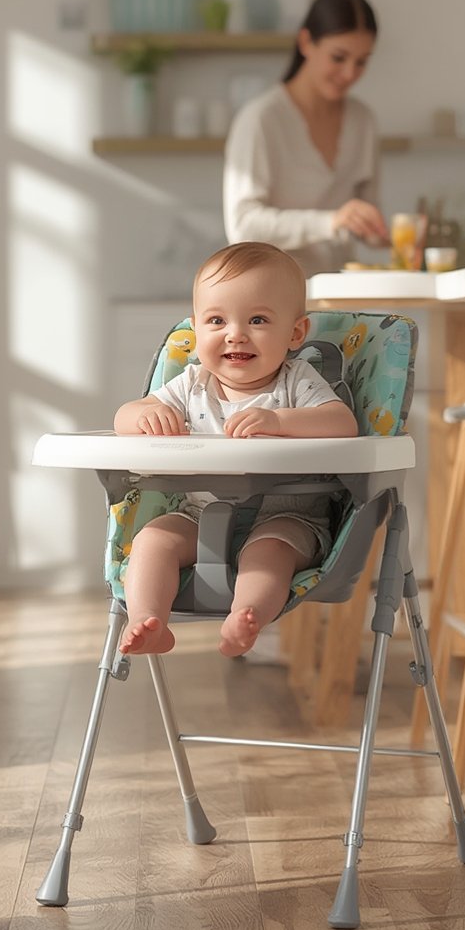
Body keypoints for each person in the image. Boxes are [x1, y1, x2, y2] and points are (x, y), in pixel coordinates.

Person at [113, 242, 358, 659]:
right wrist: (145, 418)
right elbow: (124, 417)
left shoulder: (296, 381)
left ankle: (246, 616)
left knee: (270, 555)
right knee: (153, 540)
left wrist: (280, 423)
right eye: (216, 320)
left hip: (288, 516)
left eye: (258, 319)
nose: (235, 334)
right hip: (199, 514)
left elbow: (343, 424)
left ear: (295, 333)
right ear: (196, 331)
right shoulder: (192, 384)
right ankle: (147, 619)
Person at [223, 0, 390, 276]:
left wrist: (381, 235)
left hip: (341, 297)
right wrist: (331, 221)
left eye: (361, 61)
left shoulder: (363, 120)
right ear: (305, 42)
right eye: (339, 57)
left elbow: (364, 213)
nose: (350, 73)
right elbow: (243, 224)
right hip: (274, 299)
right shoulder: (262, 119)